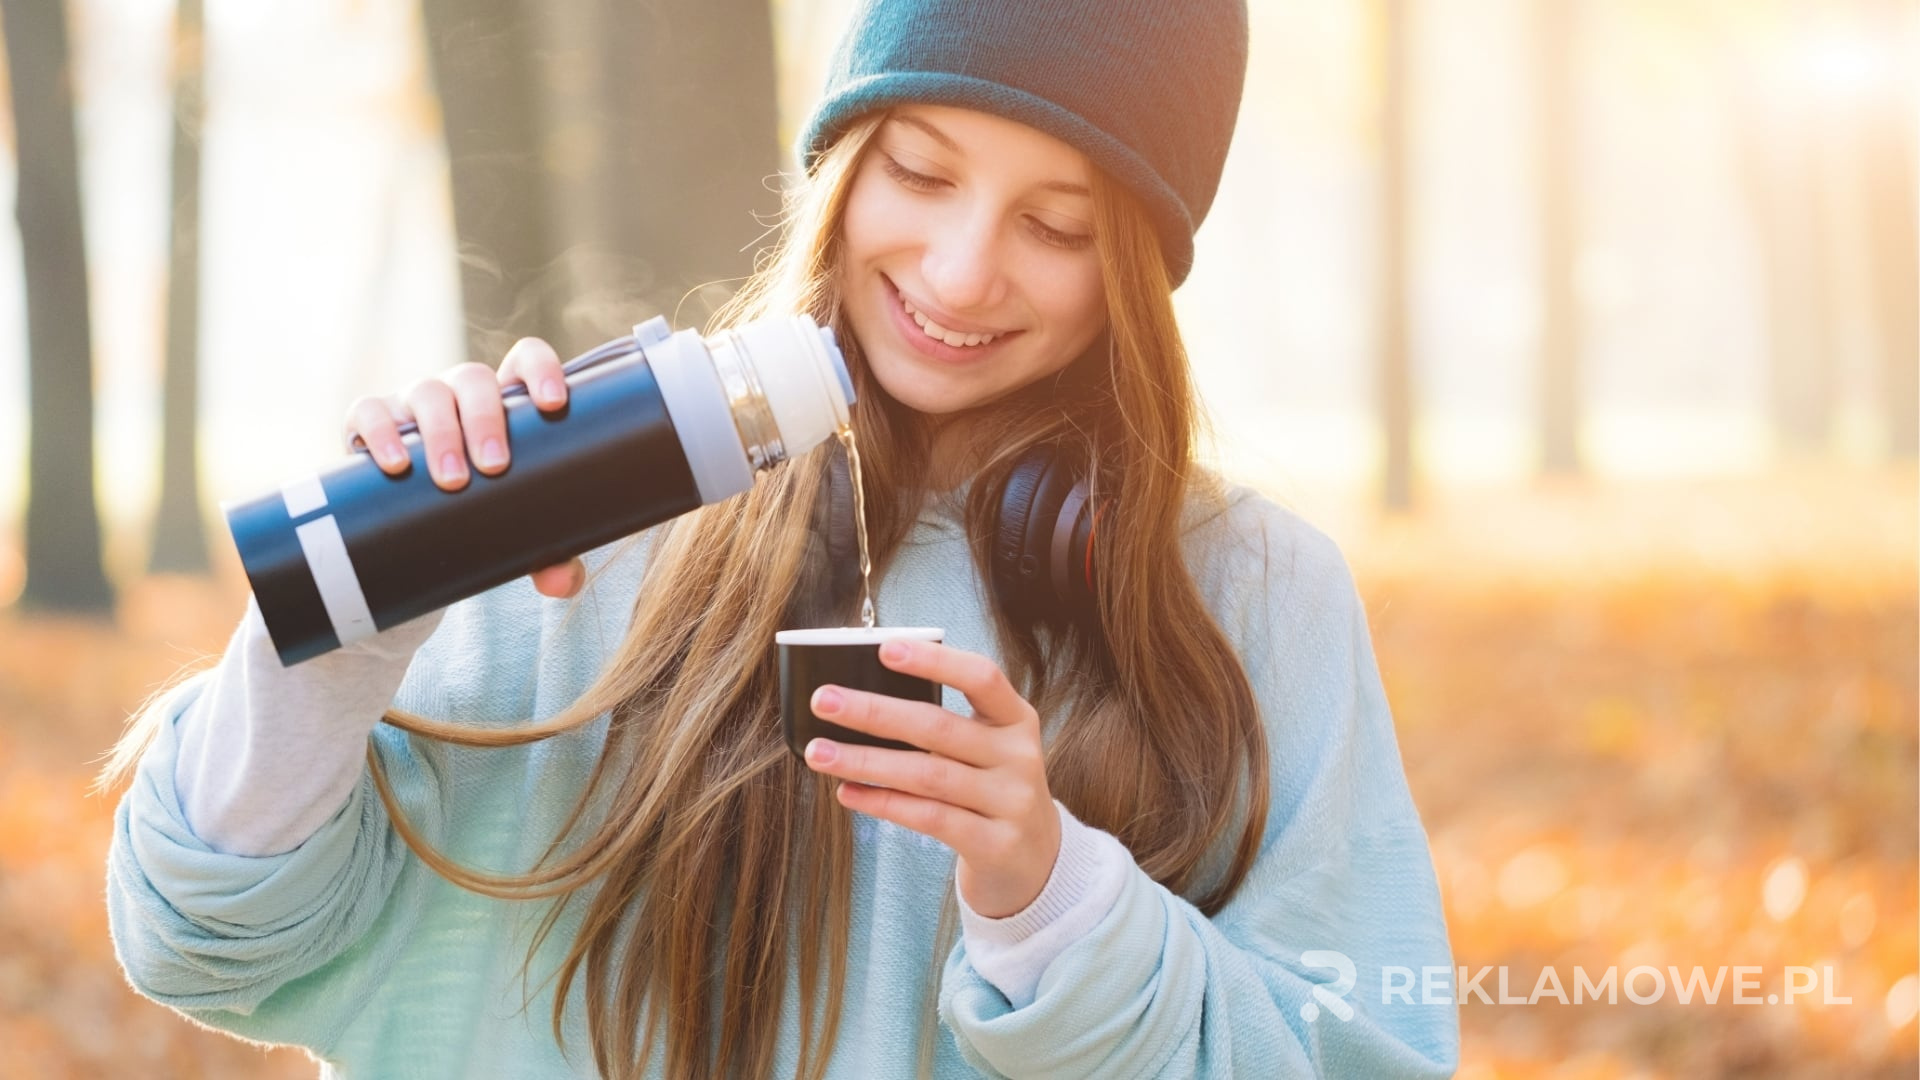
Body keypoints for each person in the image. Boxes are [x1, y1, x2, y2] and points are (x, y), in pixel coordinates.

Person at [103, 0, 1460, 1076]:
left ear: (1145, 279)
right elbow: (204, 945)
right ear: (841, 169)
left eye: (1060, 226)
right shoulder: (584, 505)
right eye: (921, 173)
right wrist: (363, 615)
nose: (961, 270)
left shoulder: (1253, 594)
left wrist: (1056, 901)